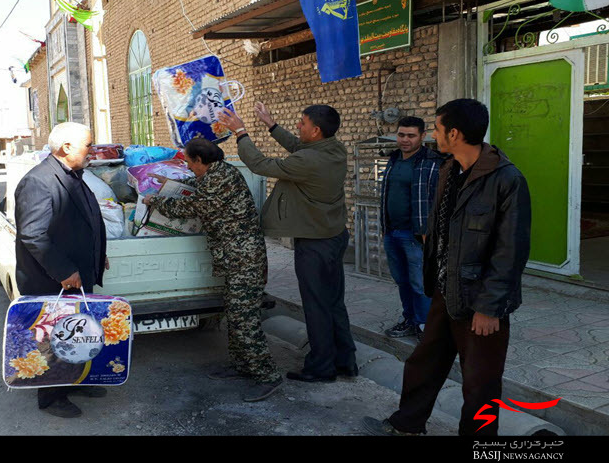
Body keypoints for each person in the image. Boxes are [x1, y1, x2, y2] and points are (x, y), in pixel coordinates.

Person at [363, 98, 531, 436]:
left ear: (453, 133)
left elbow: (510, 252)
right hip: (445, 290)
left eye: (437, 129)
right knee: (423, 364)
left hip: (480, 302)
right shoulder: (448, 170)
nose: (432, 136)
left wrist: (490, 307)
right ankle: (408, 425)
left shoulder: (506, 180)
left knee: (481, 384)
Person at [218, 102, 357, 383]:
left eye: (302, 123)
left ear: (316, 130)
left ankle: (321, 368)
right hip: (333, 236)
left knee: (316, 305)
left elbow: (259, 164)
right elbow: (298, 146)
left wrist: (241, 132)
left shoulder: (308, 161)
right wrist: (271, 125)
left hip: (315, 243)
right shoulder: (333, 149)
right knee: (333, 303)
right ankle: (345, 361)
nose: (298, 126)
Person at [143, 138, 282, 402]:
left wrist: (155, 201)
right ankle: (242, 366)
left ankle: (267, 376)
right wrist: (170, 184)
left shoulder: (219, 179)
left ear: (198, 160)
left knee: (245, 319)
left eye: (188, 161)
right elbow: (198, 187)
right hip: (234, 256)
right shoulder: (219, 171)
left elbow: (190, 207)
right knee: (234, 311)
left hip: (244, 258)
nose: (187, 165)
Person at [14, 122, 110, 419]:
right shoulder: (40, 182)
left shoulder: (72, 174)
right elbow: (34, 234)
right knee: (54, 338)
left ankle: (73, 381)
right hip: (54, 279)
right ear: (66, 147)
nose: (92, 151)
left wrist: (98, 254)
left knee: (77, 335)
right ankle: (51, 396)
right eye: (88, 145)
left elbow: (84, 220)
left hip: (76, 275)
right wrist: (64, 271)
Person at [380, 117, 444, 342]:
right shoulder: (393, 159)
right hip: (391, 232)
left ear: (422, 136)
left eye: (410, 135)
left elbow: (440, 200)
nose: (405, 140)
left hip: (416, 234)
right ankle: (409, 319)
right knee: (402, 281)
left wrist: (432, 232)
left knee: (420, 284)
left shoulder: (433, 161)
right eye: (401, 135)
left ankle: (426, 327)